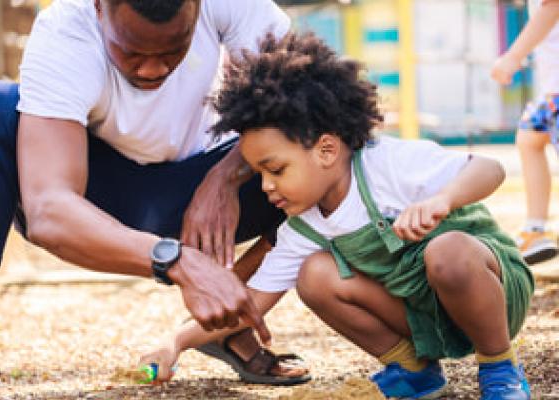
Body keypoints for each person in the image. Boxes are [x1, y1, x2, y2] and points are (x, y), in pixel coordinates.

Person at [0, 1, 310, 399]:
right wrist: (177, 260)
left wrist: (225, 179)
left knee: (320, 141)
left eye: (173, 50)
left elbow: (296, 93)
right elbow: (48, 210)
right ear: (101, 8)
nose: (152, 69)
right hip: (103, 198)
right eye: (132, 53)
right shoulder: (65, 29)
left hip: (213, 183)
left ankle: (228, 326)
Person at [143, 33, 535, 399]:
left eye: (276, 170)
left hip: (494, 296)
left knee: (447, 252)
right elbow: (251, 302)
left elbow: (489, 168)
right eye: (259, 173)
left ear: (327, 150)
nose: (265, 186)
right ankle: (412, 368)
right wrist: (176, 342)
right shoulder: (304, 225)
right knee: (314, 275)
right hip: (424, 317)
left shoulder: (387, 163)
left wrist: (443, 200)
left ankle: (499, 365)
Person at [491, 0, 559, 264]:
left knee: (530, 138)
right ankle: (535, 228)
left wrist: (513, 56)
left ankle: (536, 228)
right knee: (529, 138)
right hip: (551, 91)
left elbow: (552, 7)